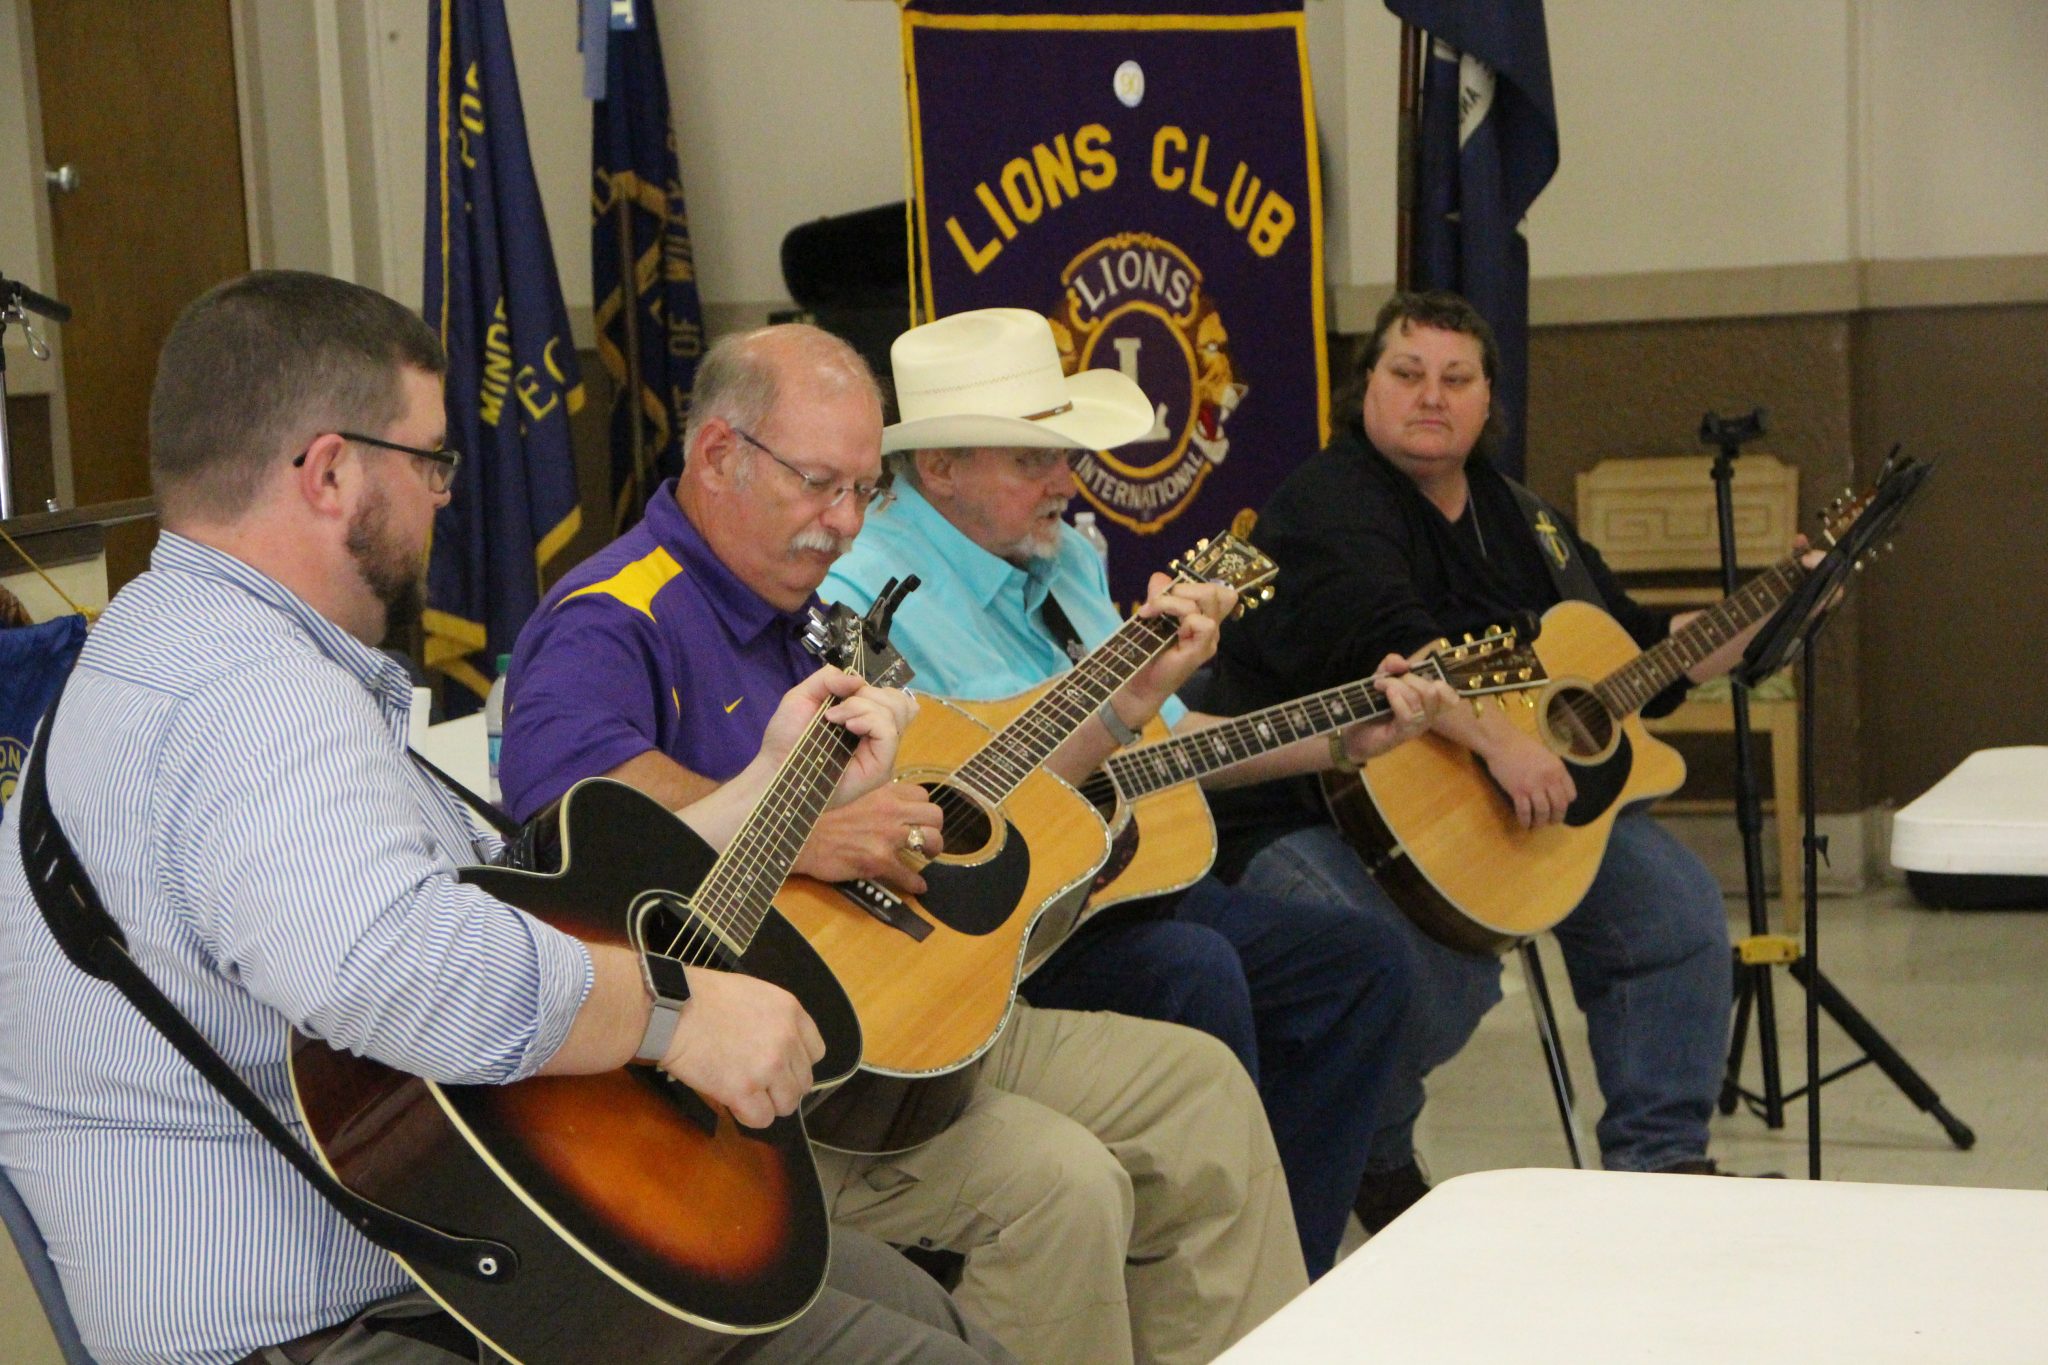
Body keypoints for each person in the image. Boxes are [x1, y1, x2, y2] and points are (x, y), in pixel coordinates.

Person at [0, 271, 1012, 1365]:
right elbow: (383, 964)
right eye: (431, 460)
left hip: (428, 1240)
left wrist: (766, 789)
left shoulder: (183, 643)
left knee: (898, 1303)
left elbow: (503, 897)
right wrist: (673, 1011)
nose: (447, 496)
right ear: (332, 472)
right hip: (330, 1320)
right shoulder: (244, 691)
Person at [498, 322, 1304, 1365]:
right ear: (715, 456)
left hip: (896, 1013)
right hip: (747, 1087)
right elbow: (571, 821)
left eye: (860, 493)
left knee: (1198, 1093)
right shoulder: (615, 617)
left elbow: (964, 799)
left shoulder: (796, 609)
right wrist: (802, 834)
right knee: (1061, 1188)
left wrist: (1122, 708)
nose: (841, 526)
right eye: (817, 486)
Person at [821, 308, 1456, 1277]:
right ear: (938, 469)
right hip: (981, 922)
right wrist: (1114, 720)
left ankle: (1277, 1271)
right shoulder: (865, 591)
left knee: (1356, 963)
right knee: (1190, 965)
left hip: (1104, 886)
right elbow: (949, 797)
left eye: (1063, 456)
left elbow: (1152, 746)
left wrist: (1336, 738)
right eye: (1031, 461)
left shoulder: (1064, 553)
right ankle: (1195, 1269)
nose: (1064, 483)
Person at [1207, 289, 1769, 1228]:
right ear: (1368, 388)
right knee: (1425, 981)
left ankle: (1662, 1162)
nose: (1432, 395)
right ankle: (1374, 1157)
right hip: (1311, 805)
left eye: (1456, 378)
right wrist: (1502, 743)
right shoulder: (1325, 502)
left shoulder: (1521, 515)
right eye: (1408, 372)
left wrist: (1741, 627)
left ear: (1486, 399)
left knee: (1673, 911)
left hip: (1504, 794)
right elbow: (1394, 648)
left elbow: (1621, 649)